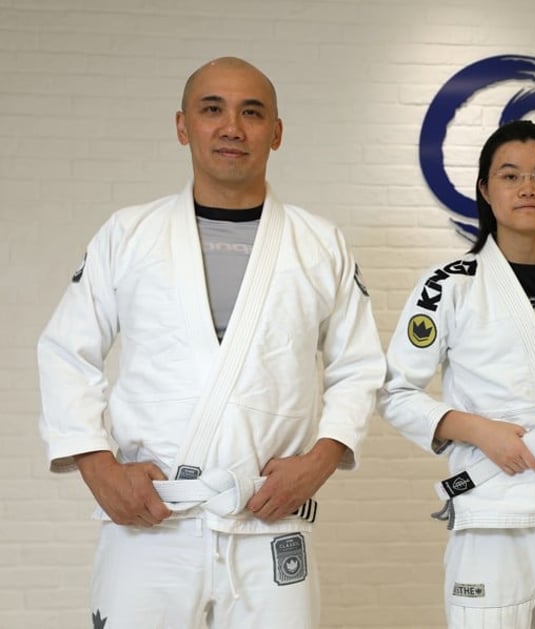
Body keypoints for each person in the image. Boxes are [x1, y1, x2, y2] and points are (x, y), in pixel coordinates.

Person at [37, 57, 386, 629]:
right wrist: (99, 469)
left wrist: (319, 462)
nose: (231, 128)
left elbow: (360, 366)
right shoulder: (129, 234)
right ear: (183, 126)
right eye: (212, 109)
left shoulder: (319, 243)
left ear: (276, 132)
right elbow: (65, 352)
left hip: (267, 516)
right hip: (149, 517)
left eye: (252, 113)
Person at [378, 120, 535, 628]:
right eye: (511, 176)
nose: (528, 188)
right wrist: (479, 431)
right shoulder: (449, 285)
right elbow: (395, 391)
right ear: (485, 190)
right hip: (492, 502)